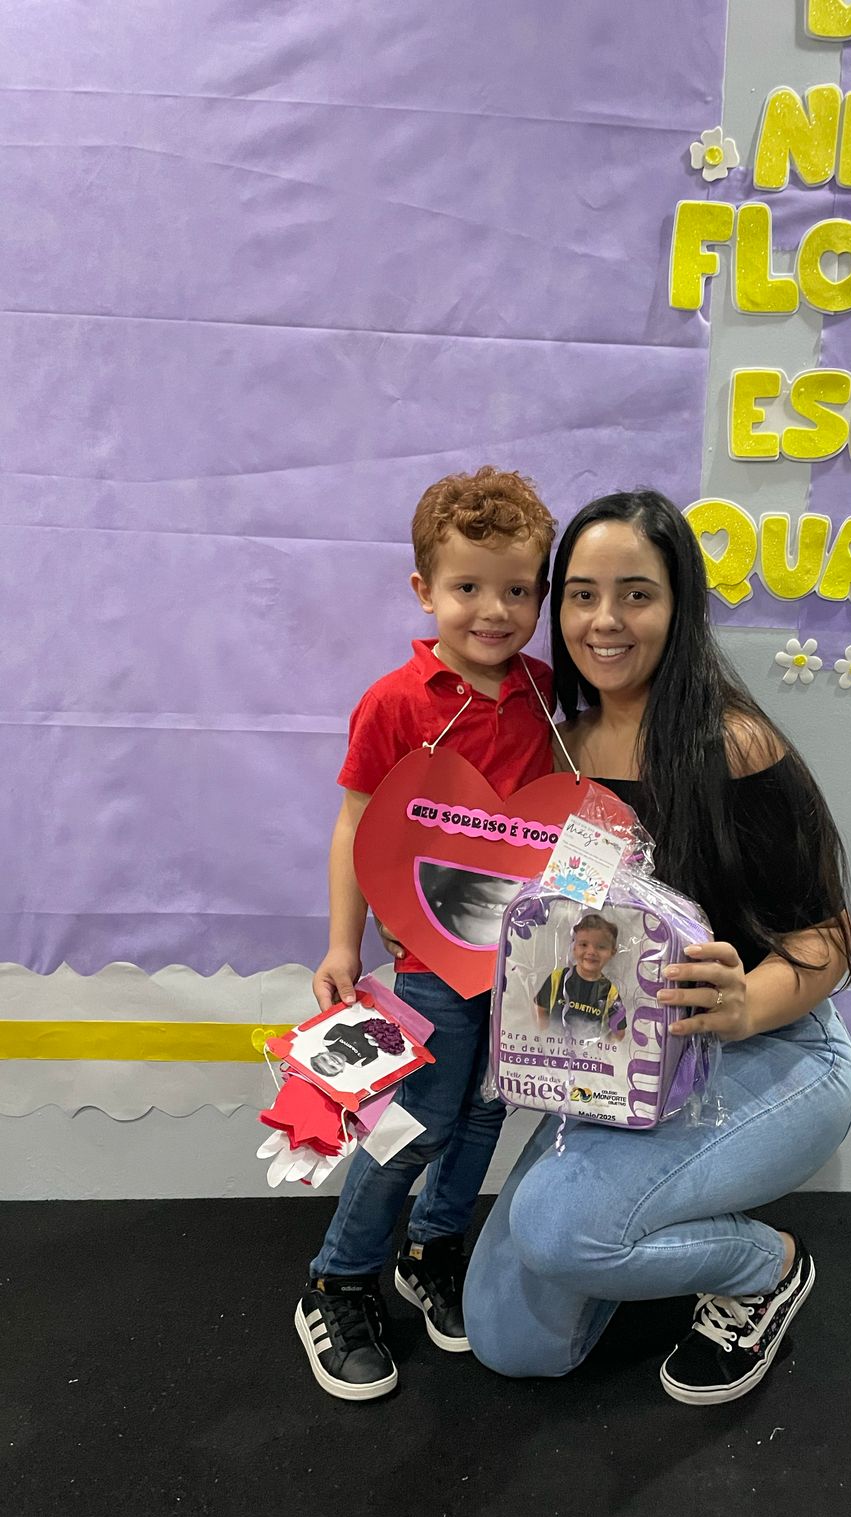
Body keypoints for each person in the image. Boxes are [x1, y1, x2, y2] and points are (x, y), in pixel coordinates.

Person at [462, 489, 851, 1407]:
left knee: (557, 1229)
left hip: (773, 1054)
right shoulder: (558, 751)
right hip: (619, 1069)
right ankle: (639, 1227)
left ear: (680, 607)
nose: (605, 621)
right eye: (582, 594)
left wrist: (746, 1004)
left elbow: (828, 936)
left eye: (636, 594)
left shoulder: (734, 747)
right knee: (508, 1341)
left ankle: (766, 1269)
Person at [296, 466, 557, 1401]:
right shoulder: (396, 702)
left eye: (518, 591)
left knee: (487, 1109)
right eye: (468, 587)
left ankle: (432, 1249)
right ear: (424, 590)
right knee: (414, 1123)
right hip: (430, 960)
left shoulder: (546, 696)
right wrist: (343, 946)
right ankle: (338, 1278)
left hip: (522, 962)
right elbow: (355, 826)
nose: (494, 610)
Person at [534, 913, 627, 1040]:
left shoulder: (610, 992)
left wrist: (603, 1047)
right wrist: (544, 1038)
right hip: (553, 1048)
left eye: (601, 947)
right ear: (574, 948)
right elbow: (539, 1009)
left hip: (589, 1052)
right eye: (583, 945)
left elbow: (619, 1032)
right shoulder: (557, 978)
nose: (591, 952)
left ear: (612, 952)